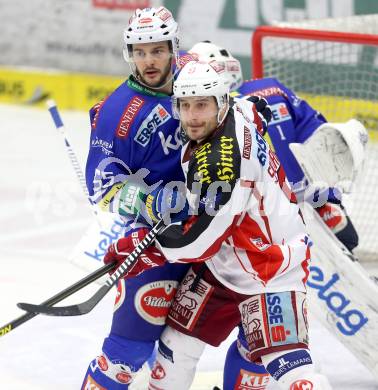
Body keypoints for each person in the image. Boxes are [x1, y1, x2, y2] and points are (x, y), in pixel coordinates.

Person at [104, 60, 333, 389]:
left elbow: (200, 243)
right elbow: (254, 110)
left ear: (219, 104)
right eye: (185, 106)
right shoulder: (236, 111)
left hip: (270, 265)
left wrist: (143, 250)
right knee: (175, 347)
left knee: (291, 368)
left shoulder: (219, 164)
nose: (193, 116)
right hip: (226, 261)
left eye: (201, 106)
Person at [188, 41, 363, 390]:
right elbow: (319, 136)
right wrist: (323, 192)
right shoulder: (271, 89)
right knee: (347, 247)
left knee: (254, 327)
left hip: (262, 236)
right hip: (300, 214)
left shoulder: (213, 123)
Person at [81, 6, 192, 389]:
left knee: (250, 339)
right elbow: (100, 184)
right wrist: (151, 201)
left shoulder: (193, 74)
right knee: (126, 356)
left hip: (214, 228)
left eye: (157, 50)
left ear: (173, 47)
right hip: (159, 242)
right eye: (140, 52)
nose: (148, 61)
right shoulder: (118, 113)